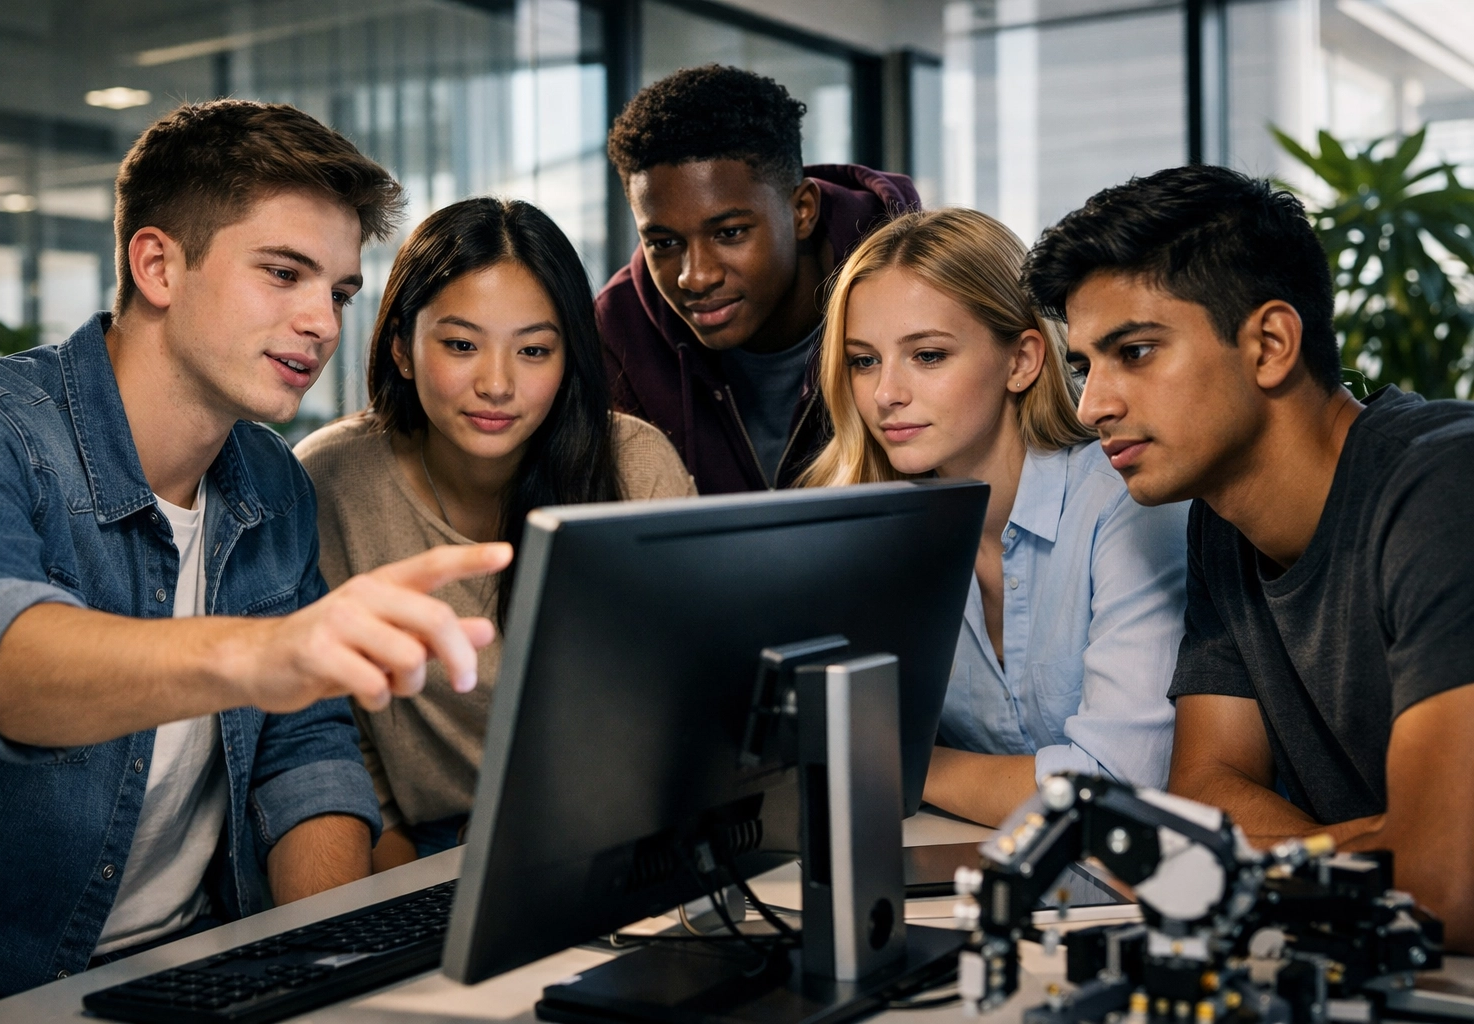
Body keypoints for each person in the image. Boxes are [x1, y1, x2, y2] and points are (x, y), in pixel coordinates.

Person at [0, 101, 509, 1014]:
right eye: (284, 274)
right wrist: (260, 655)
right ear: (158, 264)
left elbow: (305, 752)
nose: (322, 322)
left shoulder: (271, 481)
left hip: (206, 971)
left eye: (338, 292)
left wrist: (336, 977)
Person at [1022, 163, 1474, 950]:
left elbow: (1446, 887)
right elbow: (1202, 792)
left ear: (1269, 344)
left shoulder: (1443, 489)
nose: (1093, 406)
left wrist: (1410, 849)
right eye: (1085, 366)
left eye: (1134, 352)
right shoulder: (1221, 525)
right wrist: (1385, 841)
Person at [296, 198, 694, 872]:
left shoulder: (632, 465)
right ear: (400, 346)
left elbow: (688, 703)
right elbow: (328, 733)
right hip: (426, 850)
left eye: (534, 350)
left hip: (618, 840)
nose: (498, 384)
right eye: (460, 345)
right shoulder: (328, 481)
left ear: (569, 358)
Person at [799, 208, 1189, 827]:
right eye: (863, 360)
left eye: (927, 355)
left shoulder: (1124, 503)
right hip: (990, 881)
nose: (884, 394)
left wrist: (897, 763)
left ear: (1022, 361)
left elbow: (1117, 789)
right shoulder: (872, 535)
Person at [597, 64, 921, 494]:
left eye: (729, 233)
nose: (695, 277)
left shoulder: (919, 289)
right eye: (664, 243)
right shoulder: (620, 330)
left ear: (802, 210)